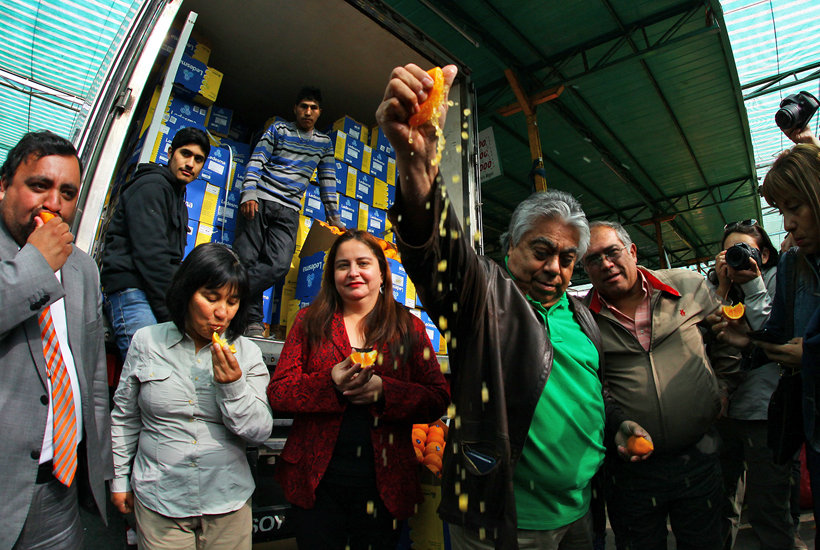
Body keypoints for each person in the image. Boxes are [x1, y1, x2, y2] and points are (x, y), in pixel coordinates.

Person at [374, 64, 643, 550]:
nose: (554, 269)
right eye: (541, 251)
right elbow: (438, 253)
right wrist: (418, 168)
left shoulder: (581, 314)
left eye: (566, 259)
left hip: (582, 515)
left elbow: (591, 388)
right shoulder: (485, 296)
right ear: (510, 248)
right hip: (504, 521)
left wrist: (619, 422)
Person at [267, 229, 450, 550]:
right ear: (331, 275)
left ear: (382, 272)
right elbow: (279, 392)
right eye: (343, 265)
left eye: (363, 263)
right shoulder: (310, 322)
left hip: (385, 485)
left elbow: (436, 398)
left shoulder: (409, 328)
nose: (353, 272)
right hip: (316, 482)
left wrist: (385, 391)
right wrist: (329, 382)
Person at [582, 220, 743, 550]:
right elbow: (590, 382)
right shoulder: (584, 317)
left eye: (612, 252)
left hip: (699, 455)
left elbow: (726, 336)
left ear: (632, 251)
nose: (606, 264)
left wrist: (723, 390)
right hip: (631, 471)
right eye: (593, 259)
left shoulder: (688, 285)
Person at [110, 243, 273, 550]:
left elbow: (260, 432)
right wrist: (119, 480)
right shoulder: (147, 341)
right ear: (186, 291)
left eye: (233, 301)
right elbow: (125, 418)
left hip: (228, 504)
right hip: (160, 502)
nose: (222, 312)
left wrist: (233, 387)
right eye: (211, 298)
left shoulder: (248, 353)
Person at [0, 131, 112, 550]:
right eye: (39, 186)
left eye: (67, 192)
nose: (54, 204)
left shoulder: (82, 268)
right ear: (3, 186)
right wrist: (35, 265)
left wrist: (103, 469)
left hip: (58, 489)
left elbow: (92, 376)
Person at [712, 141, 820, 536]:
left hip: (768, 415)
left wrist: (808, 353)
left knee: (772, 510)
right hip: (754, 419)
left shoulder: (785, 272)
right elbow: (772, 337)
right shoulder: (793, 267)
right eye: (783, 212)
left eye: (796, 207)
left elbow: (793, 344)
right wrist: (747, 335)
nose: (789, 223)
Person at [709, 221, 796, 550]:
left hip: (767, 412)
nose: (740, 257)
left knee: (769, 507)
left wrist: (755, 286)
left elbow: (778, 336)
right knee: (721, 503)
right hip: (724, 413)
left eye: (748, 250)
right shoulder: (714, 286)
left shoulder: (778, 280)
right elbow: (704, 339)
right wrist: (719, 288)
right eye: (731, 251)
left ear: (765, 254)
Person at [234, 86, 344, 337]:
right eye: (303, 106)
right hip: (260, 200)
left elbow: (328, 178)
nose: (308, 112)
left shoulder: (324, 143)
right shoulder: (279, 130)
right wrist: (249, 192)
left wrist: (334, 217)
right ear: (295, 109)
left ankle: (227, 292)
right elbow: (258, 159)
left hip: (290, 209)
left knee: (278, 265)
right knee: (246, 260)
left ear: (319, 112)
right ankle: (252, 322)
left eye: (313, 108)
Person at [100, 126, 210, 359]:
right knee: (148, 369)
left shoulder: (177, 195)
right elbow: (152, 257)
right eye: (185, 154)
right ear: (170, 153)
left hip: (152, 291)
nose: (190, 164)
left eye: (198, 159)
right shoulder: (152, 187)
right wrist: (170, 313)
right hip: (131, 290)